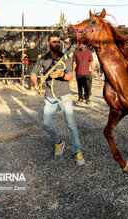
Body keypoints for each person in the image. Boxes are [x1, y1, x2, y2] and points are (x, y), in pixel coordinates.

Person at [30, 32, 85, 166]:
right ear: (48, 44)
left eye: (59, 42)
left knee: (71, 124)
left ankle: (77, 151)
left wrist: (62, 74)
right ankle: (59, 143)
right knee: (46, 123)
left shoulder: (65, 57)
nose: (57, 44)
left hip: (65, 95)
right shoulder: (43, 59)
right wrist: (35, 84)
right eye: (54, 42)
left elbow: (71, 76)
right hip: (50, 95)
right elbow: (33, 73)